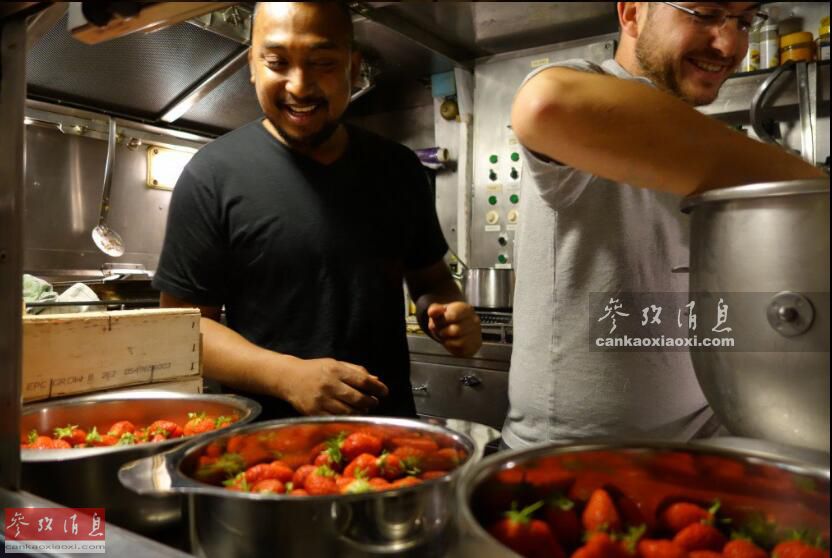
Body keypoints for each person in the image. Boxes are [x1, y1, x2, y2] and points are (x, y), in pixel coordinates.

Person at [503, 2, 826, 448]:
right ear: (633, 12)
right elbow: (548, 105)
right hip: (575, 458)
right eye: (705, 12)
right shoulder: (594, 87)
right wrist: (814, 191)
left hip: (701, 443)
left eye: (745, 21)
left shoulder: (698, 143)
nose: (729, 43)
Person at [153, 1, 481, 420]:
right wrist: (286, 376)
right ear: (252, 65)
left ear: (353, 66)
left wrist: (448, 313)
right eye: (276, 62)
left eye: (323, 62)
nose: (300, 85)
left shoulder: (399, 170)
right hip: (264, 452)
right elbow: (182, 326)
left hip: (388, 435)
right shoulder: (211, 176)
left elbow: (431, 281)